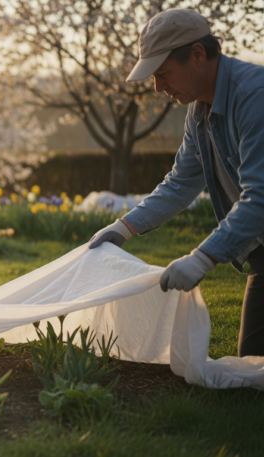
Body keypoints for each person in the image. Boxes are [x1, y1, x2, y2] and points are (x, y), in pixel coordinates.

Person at [88, 9, 264, 357]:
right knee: (252, 368)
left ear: (198, 55)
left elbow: (260, 198)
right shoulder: (198, 112)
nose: (158, 87)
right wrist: (123, 228)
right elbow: (181, 182)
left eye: (163, 73)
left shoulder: (254, 97)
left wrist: (202, 259)